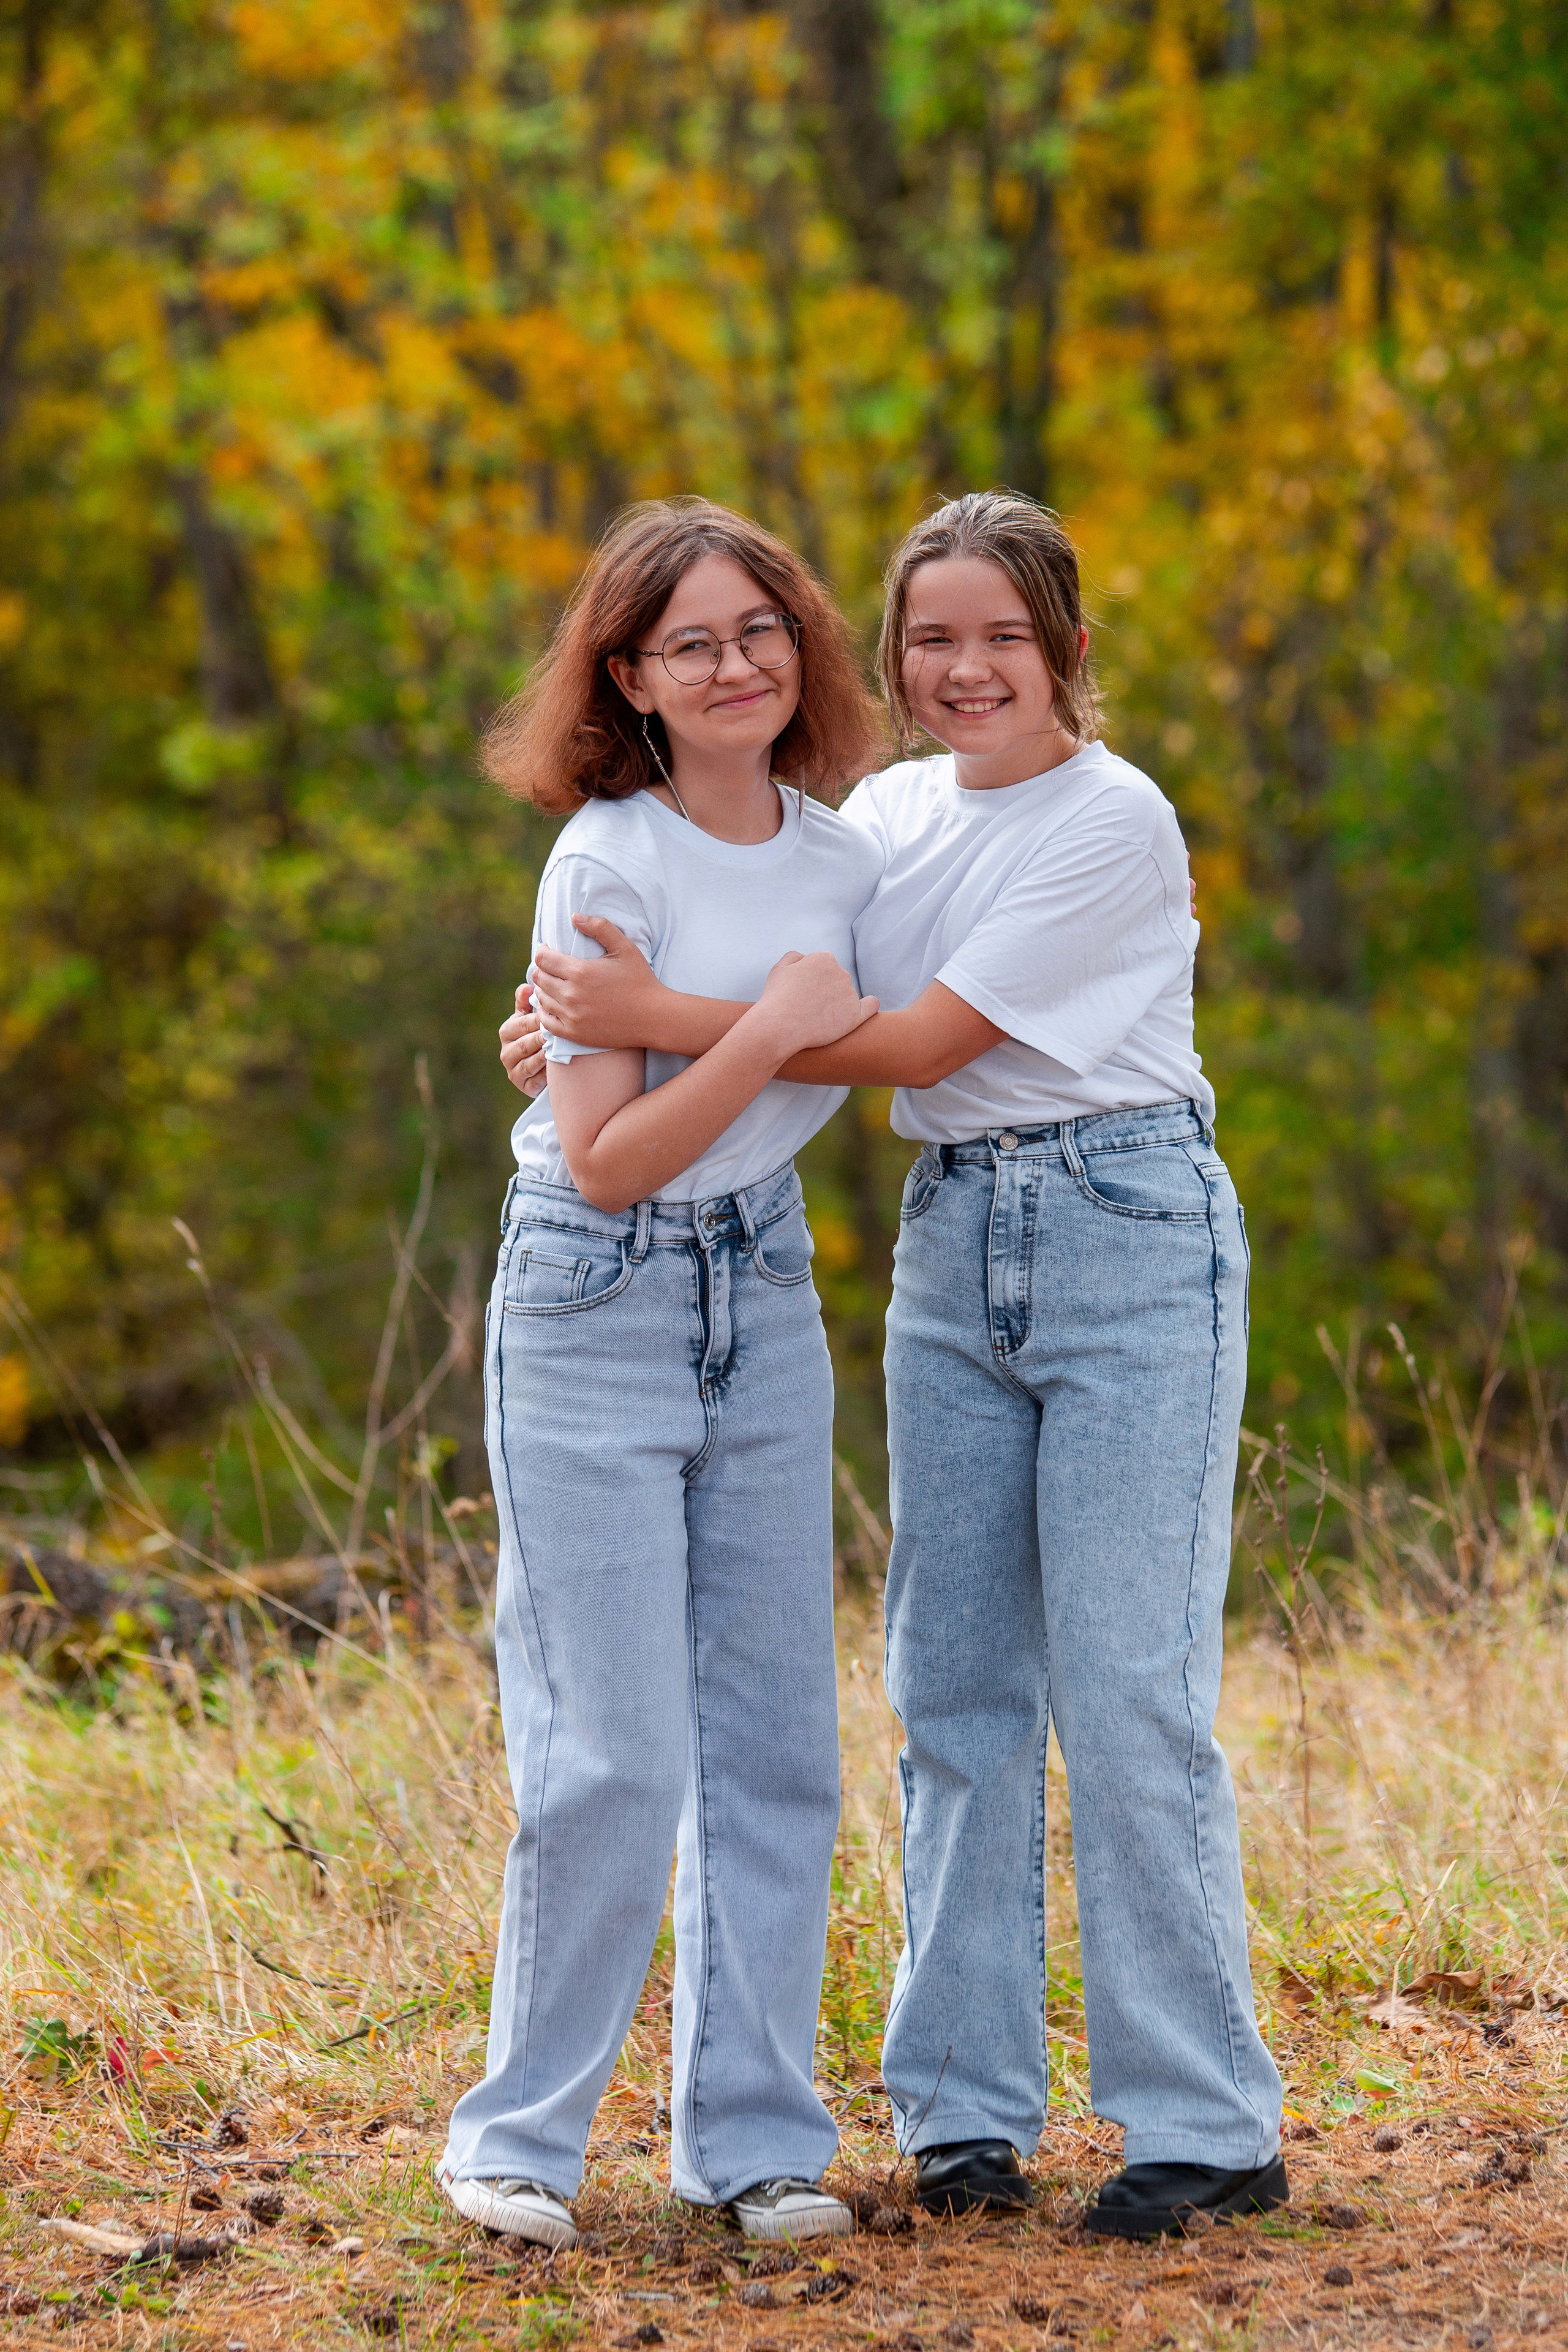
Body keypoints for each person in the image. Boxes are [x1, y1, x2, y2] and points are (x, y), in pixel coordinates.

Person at [502, 491, 1287, 2241]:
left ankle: (1205, 2117)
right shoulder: (878, 819)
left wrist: (645, 1026)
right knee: (952, 1694)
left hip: (1123, 1223)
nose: (966, 667)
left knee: (1126, 1689)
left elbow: (904, 1038)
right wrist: (565, 1034)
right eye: (933, 635)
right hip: (953, 1245)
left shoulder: (1115, 820)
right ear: (895, 653)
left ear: (1071, 653)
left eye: (1005, 635)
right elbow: (774, 984)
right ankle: (964, 2116)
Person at [439, 497, 888, 2252]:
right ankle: (517, 2143)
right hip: (594, 1292)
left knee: (779, 1744)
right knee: (612, 1748)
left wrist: (718, 1024)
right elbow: (612, 1159)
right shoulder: (604, 860)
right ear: (628, 675)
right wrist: (772, 1027)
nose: (733, 663)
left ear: (802, 647)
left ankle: (756, 2142)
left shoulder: (849, 863)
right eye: (690, 641)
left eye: (759, 628)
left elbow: (899, 1041)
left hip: (763, 1287)